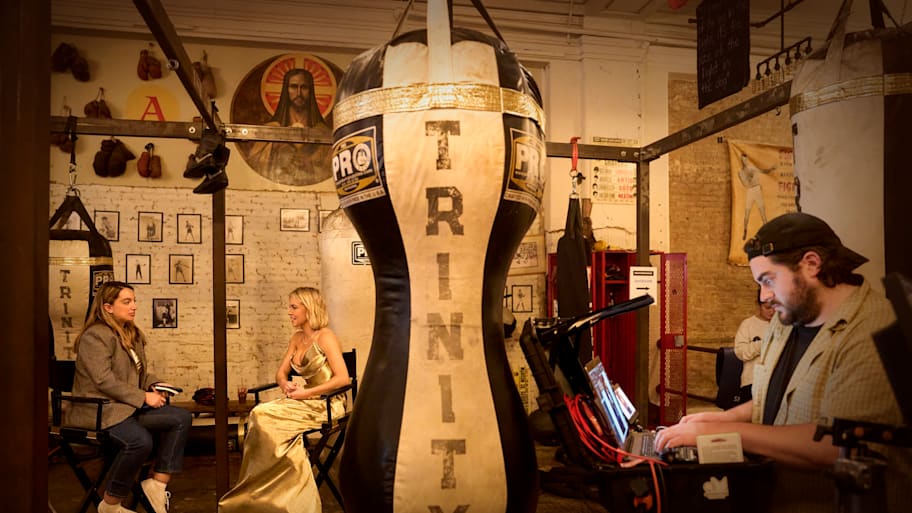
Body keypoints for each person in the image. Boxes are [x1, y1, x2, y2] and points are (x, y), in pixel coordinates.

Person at [654, 212, 911, 513]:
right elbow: (774, 399)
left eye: (768, 280)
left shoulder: (874, 328)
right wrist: (726, 419)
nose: (764, 296)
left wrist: (715, 434)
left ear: (812, 264)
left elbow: (835, 446)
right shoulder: (788, 318)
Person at [219, 286, 350, 513]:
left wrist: (306, 393)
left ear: (308, 309)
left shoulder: (325, 336)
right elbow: (280, 373)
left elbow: (343, 379)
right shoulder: (297, 338)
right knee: (259, 414)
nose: (289, 312)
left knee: (261, 415)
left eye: (293, 307)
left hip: (327, 404)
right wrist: (285, 384)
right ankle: (268, 493)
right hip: (305, 400)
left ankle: (288, 497)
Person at [66, 281, 192, 513]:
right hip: (100, 411)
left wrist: (154, 384)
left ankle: (156, 484)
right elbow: (103, 379)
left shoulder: (131, 333)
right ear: (108, 307)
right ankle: (111, 504)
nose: (134, 306)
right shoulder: (95, 336)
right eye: (127, 302)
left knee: (180, 417)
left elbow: (139, 372)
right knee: (139, 440)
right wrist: (144, 397)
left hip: (125, 408)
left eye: (134, 301)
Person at [245, 68, 333, 185]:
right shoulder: (272, 129)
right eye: (293, 87)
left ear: (310, 91)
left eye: (304, 87)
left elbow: (330, 170)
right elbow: (254, 162)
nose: (299, 93)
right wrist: (273, 147)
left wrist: (309, 162)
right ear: (286, 90)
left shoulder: (323, 132)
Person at [731, 288, 775, 402]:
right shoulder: (748, 324)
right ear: (759, 305)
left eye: (775, 307)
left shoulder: (782, 325)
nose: (772, 311)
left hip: (774, 382)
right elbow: (740, 352)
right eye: (767, 308)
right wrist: (763, 344)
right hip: (752, 381)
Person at [738, 153, 776, 240]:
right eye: (743, 160)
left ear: (747, 160)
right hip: (750, 191)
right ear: (741, 160)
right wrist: (749, 178)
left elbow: (763, 171)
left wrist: (771, 169)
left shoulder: (752, 168)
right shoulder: (740, 172)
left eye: (745, 159)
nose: (744, 161)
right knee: (747, 213)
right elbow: (745, 184)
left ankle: (768, 231)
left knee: (762, 212)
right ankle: (745, 230)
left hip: (757, 189)